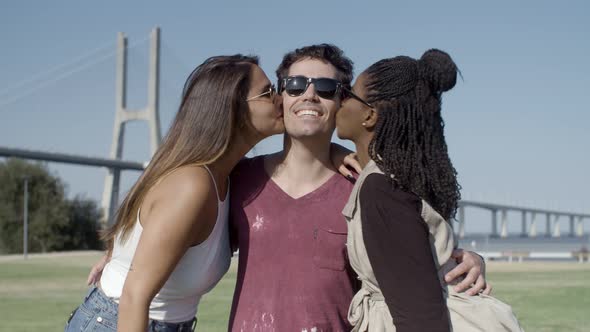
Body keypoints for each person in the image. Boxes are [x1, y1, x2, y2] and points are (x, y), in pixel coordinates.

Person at [228, 44, 490, 331]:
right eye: (295, 85)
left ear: (342, 100)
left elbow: (418, 247)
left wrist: (464, 260)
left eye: (327, 88)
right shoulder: (238, 179)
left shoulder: (366, 189)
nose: (310, 95)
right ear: (280, 98)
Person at [66, 54, 284, 332]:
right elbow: (135, 296)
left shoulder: (228, 176)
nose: (281, 99)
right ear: (233, 109)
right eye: (268, 92)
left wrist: (334, 155)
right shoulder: (192, 185)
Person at [335, 49, 523, 331]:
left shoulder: (381, 187)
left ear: (370, 116)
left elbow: (420, 318)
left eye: (349, 94)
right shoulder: (400, 179)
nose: (340, 100)